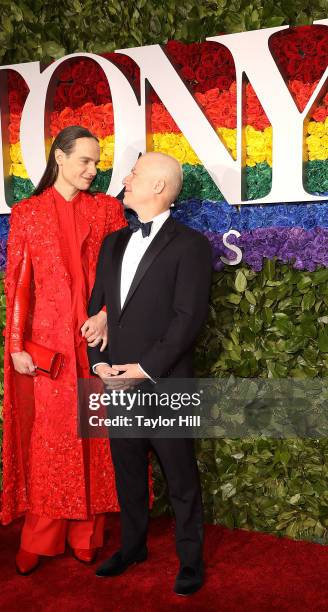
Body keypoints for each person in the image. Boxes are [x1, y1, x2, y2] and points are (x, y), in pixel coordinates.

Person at [1, 125, 126, 575]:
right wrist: (16, 343)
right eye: (85, 161)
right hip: (49, 347)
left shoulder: (109, 210)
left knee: (94, 437)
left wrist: (109, 314)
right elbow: (19, 284)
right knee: (51, 443)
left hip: (97, 344)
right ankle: (41, 537)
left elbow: (123, 273)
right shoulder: (28, 213)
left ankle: (87, 535)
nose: (94, 170)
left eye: (97, 162)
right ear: (60, 157)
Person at [87, 152, 212, 596]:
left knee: (180, 478)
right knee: (127, 473)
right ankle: (133, 547)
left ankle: (191, 561)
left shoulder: (191, 245)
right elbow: (98, 312)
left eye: (134, 174)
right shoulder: (112, 243)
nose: (125, 178)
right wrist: (98, 364)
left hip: (164, 383)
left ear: (158, 187)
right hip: (117, 384)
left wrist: (143, 368)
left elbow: (187, 319)